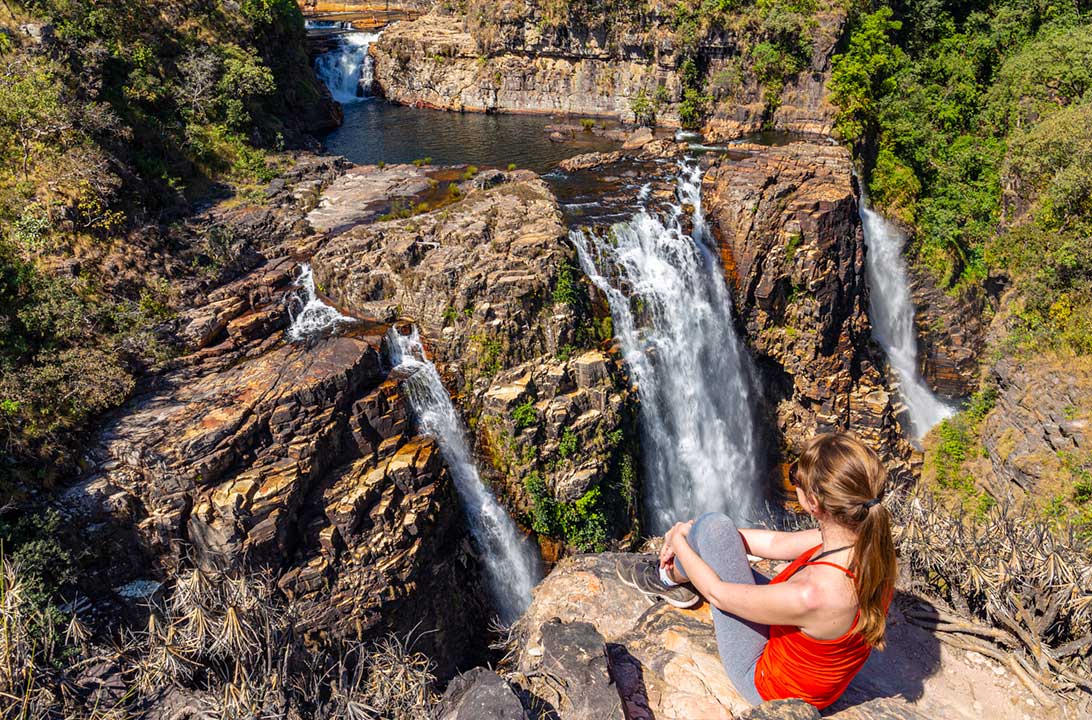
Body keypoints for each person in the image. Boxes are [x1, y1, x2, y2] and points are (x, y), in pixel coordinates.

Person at [616, 433, 897, 710]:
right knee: (714, 529)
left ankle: (664, 578)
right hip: (811, 672)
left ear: (814, 503)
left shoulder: (813, 593)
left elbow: (719, 594)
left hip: (767, 685)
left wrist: (679, 540)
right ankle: (682, 566)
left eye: (795, 476)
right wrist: (702, 538)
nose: (793, 477)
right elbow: (779, 542)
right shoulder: (869, 545)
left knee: (713, 527)